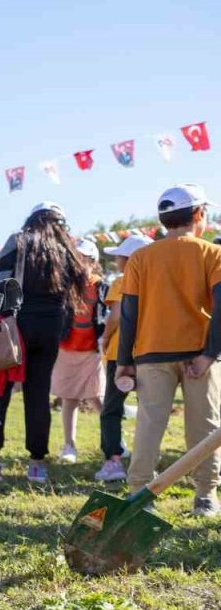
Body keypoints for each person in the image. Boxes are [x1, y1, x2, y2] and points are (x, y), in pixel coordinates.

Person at [117, 184, 221, 517]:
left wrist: (124, 363)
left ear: (163, 220)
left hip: (150, 355)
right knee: (204, 427)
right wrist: (210, 354)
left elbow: (128, 313)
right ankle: (205, 496)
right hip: (199, 354)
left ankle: (138, 498)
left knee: (149, 426)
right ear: (199, 214)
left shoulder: (140, 257)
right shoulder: (213, 253)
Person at [0, 203, 88, 483]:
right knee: (39, 394)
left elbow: (0, 281)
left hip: (17, 325)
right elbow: (76, 287)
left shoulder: (19, 240)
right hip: (52, 326)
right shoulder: (65, 247)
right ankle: (37, 465)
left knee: (1, 391)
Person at [96, 234, 153, 482]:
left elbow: (117, 314)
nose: (116, 261)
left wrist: (105, 337)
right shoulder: (158, 281)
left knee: (111, 408)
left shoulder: (122, 280)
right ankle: (147, 462)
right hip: (152, 351)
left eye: (119, 256)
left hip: (121, 352)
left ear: (129, 259)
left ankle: (113, 461)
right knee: (150, 409)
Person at [52, 239, 107, 464]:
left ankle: (113, 442)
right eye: (76, 258)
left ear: (94, 262)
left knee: (98, 398)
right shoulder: (64, 286)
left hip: (92, 350)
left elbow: (106, 315)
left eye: (84, 258)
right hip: (66, 349)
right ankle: (69, 445)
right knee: (69, 398)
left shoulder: (101, 286)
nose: (80, 263)